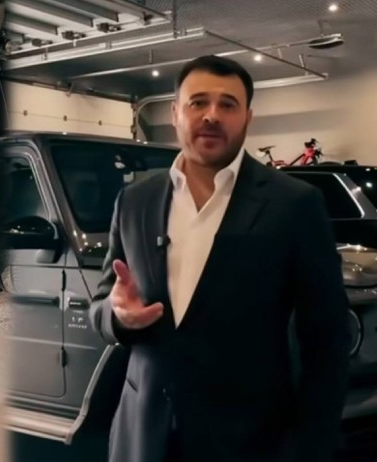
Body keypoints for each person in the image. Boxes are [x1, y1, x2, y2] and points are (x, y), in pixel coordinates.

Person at [90, 55, 351, 462]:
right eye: (198, 102)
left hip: (250, 440)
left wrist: (313, 444)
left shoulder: (294, 204)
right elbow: (102, 304)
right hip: (143, 435)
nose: (211, 115)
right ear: (175, 112)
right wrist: (117, 315)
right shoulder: (135, 201)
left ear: (247, 117)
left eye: (227, 104)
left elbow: (327, 337)